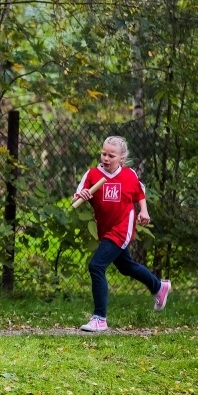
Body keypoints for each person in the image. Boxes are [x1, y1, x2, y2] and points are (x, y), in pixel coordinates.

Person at [74, 136, 171, 332]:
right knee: (126, 267)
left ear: (121, 158)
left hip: (122, 226)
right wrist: (82, 195)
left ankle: (99, 318)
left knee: (96, 265)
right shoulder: (92, 175)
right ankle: (158, 287)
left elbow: (140, 193)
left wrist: (144, 211)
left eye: (111, 155)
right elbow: (78, 196)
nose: (106, 158)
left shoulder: (129, 175)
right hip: (105, 228)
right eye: (103, 154)